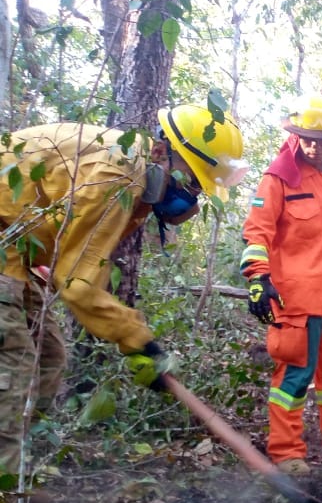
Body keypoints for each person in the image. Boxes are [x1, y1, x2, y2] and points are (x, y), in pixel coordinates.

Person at [0, 105, 247, 481]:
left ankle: (12, 478)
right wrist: (138, 340)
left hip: (14, 251)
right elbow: (77, 284)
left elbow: (70, 254)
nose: (189, 197)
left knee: (48, 357)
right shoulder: (120, 172)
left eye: (197, 189)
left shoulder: (133, 170)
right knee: (13, 370)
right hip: (7, 246)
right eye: (191, 181)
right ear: (164, 153)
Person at [240, 93, 322, 480]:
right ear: (295, 136)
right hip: (298, 300)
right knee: (294, 378)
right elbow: (257, 232)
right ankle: (286, 455)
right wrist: (258, 278)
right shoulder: (277, 179)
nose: (314, 145)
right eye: (306, 137)